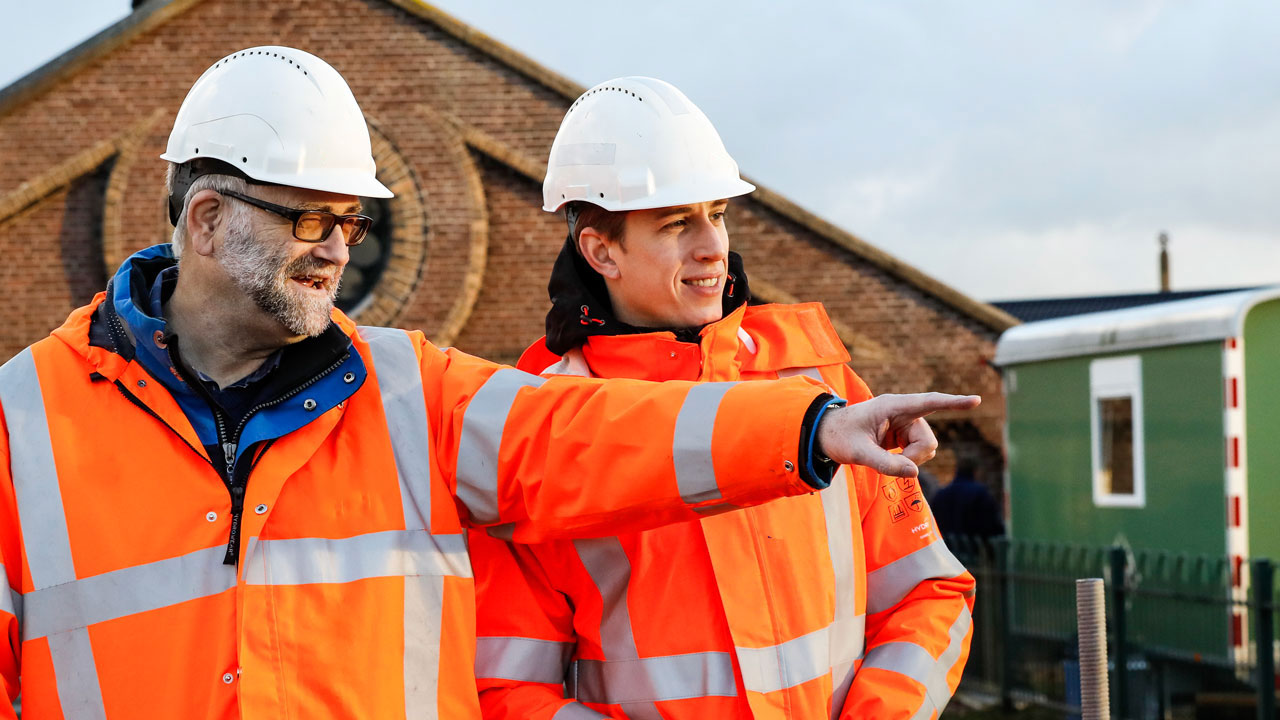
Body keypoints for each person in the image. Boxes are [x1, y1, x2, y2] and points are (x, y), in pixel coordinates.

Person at [0, 50, 977, 719]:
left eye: (354, 223)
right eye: (312, 220)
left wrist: (806, 430)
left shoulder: (408, 393)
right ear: (207, 219)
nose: (339, 249)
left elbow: (578, 434)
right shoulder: (22, 421)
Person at [470, 77, 977, 720]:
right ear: (601, 251)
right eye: (678, 223)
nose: (713, 246)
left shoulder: (820, 385)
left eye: (717, 213)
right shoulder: (538, 431)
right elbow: (508, 694)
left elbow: (930, 593)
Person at [932, 459, 1006, 540]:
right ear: (976, 471)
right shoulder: (979, 493)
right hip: (973, 547)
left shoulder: (941, 494)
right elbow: (991, 524)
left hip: (946, 546)